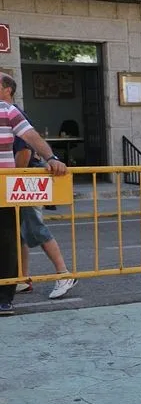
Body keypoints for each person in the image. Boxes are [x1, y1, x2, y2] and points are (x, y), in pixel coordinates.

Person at [0, 73, 68, 316]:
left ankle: (4, 298)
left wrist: (51, 157)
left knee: (7, 242)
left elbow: (31, 137)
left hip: (4, 189)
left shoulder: (8, 111)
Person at [13, 136, 77, 299]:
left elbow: (25, 151)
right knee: (20, 232)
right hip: (24, 180)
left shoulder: (12, 122)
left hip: (25, 182)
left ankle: (63, 274)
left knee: (35, 227)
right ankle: (22, 279)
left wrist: (12, 177)